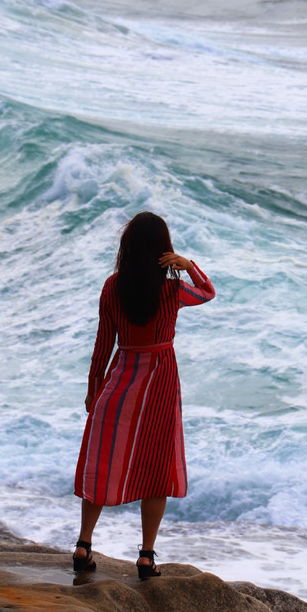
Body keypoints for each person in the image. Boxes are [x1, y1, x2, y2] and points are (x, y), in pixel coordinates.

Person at [73, 212, 215, 579]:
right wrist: (188, 265)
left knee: (103, 462)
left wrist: (94, 390)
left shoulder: (112, 287)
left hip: (120, 380)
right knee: (157, 468)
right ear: (162, 251)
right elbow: (208, 291)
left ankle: (84, 544)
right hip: (160, 382)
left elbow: (103, 344)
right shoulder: (172, 290)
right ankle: (147, 556)